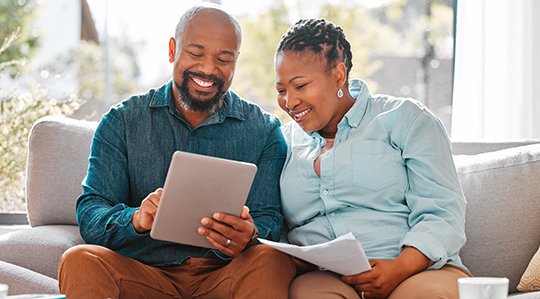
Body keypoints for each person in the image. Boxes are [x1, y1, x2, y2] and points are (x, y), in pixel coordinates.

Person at [57, 4, 296, 299]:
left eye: (224, 59)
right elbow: (92, 211)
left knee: (273, 260)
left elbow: (269, 219)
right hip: (143, 272)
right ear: (173, 50)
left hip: (224, 274)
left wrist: (250, 235)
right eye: (196, 54)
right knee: (80, 261)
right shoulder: (122, 121)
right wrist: (136, 219)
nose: (208, 69)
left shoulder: (264, 131)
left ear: (235, 62)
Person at [274, 18, 472, 299]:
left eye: (300, 86)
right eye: (281, 90)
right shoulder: (283, 141)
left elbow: (443, 212)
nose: (290, 102)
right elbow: (275, 224)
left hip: (419, 271)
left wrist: (399, 268)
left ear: (339, 75)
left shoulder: (407, 119)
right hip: (326, 277)